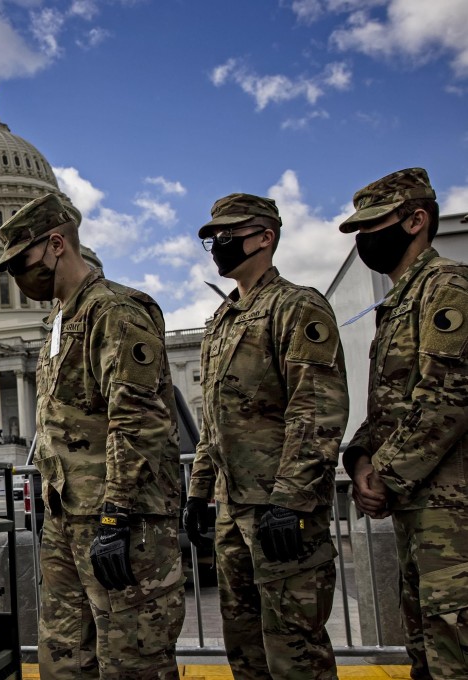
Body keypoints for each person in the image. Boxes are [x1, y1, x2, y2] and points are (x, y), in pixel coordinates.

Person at [0, 193, 185, 679]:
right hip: (66, 520)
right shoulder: (61, 322)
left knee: (132, 662)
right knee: (64, 660)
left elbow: (137, 420)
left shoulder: (116, 311)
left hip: (121, 521)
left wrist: (115, 515)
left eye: (23, 261)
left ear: (57, 244)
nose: (18, 277)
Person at [181, 193, 349, 679]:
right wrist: (198, 494)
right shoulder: (220, 323)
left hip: (281, 513)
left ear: (265, 238)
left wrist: (292, 500)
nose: (217, 244)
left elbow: (317, 408)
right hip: (234, 514)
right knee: (246, 652)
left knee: (296, 651)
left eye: (228, 234)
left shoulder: (297, 306)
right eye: (212, 236)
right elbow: (215, 424)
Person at [339, 168, 468, 679]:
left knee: (453, 653)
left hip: (453, 515)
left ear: (417, 220)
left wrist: (384, 474)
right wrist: (361, 459)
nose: (365, 239)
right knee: (425, 652)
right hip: (419, 511)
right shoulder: (396, 306)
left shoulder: (448, 287)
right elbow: (387, 412)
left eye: (374, 225)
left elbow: (448, 398)